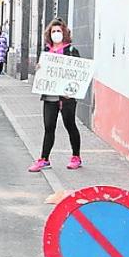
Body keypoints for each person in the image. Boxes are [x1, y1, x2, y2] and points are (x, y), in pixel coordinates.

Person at [28, 19, 83, 173]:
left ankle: (76, 157)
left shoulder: (71, 51)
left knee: (70, 125)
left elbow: (78, 73)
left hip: (66, 97)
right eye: (53, 31)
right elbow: (42, 72)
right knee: (49, 127)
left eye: (59, 31)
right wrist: (39, 69)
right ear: (49, 34)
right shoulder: (46, 52)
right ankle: (44, 159)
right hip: (50, 96)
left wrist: (72, 91)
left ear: (64, 33)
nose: (56, 34)